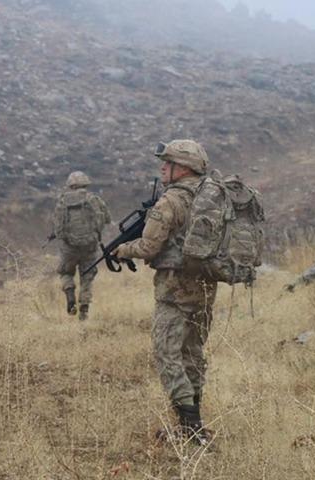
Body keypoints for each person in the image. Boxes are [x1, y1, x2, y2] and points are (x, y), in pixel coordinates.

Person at [112, 139, 216, 444]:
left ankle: (190, 428)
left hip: (174, 289)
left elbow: (148, 247)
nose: (162, 168)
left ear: (182, 168)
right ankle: (193, 424)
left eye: (167, 163)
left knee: (167, 354)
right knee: (193, 353)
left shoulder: (170, 201)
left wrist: (122, 250)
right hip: (206, 287)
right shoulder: (211, 197)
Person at [52, 171, 111, 320]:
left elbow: (58, 228)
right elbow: (107, 219)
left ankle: (70, 293)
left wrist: (65, 239)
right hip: (90, 246)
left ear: (70, 184)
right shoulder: (94, 199)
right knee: (87, 276)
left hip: (69, 248)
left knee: (65, 273)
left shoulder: (63, 201)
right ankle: (84, 309)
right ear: (86, 183)